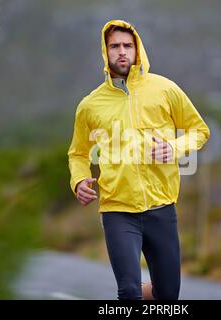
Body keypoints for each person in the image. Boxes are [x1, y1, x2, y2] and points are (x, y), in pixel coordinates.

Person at [67, 19, 210, 300]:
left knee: (168, 296)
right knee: (129, 291)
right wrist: (79, 180)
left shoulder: (165, 89)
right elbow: (79, 153)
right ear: (105, 52)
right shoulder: (90, 104)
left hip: (161, 206)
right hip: (117, 209)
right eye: (114, 46)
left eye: (127, 45)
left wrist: (175, 147)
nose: (121, 51)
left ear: (137, 49)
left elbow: (199, 130)